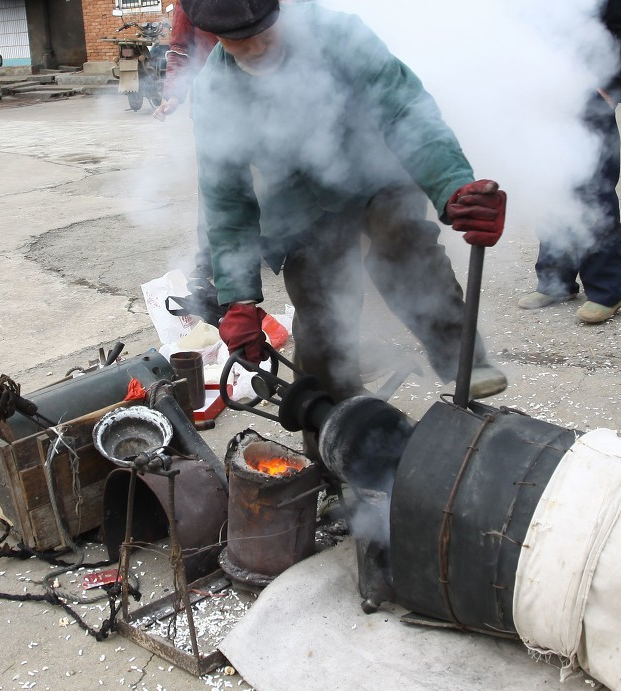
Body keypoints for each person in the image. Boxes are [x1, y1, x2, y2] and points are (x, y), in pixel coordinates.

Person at [183, 0, 510, 423]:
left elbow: (405, 108)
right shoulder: (214, 92)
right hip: (299, 204)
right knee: (319, 313)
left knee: (402, 239)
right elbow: (225, 196)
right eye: (238, 41)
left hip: (374, 172)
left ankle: (459, 355)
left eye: (264, 30)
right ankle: (335, 432)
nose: (257, 46)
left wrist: (454, 186)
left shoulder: (337, 34)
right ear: (213, 35)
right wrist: (238, 298)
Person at [517, 0, 621, 324]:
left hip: (589, 98)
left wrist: (610, 90)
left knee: (593, 191)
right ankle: (555, 281)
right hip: (545, 97)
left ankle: (606, 291)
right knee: (551, 186)